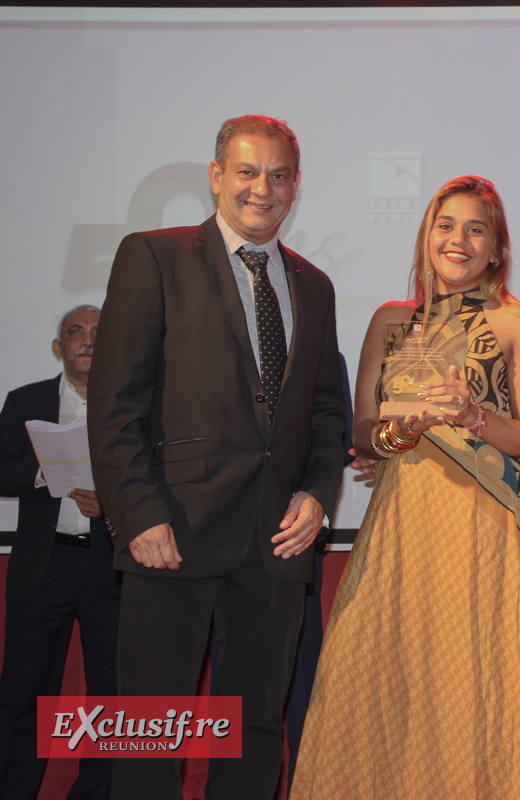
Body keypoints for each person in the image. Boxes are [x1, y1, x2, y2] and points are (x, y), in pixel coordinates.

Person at [87, 115, 344, 800]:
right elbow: (115, 402)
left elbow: (325, 410)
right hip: (170, 535)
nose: (263, 188)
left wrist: (319, 493)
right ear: (216, 176)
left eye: (279, 175)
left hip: (277, 548)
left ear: (296, 185)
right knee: (151, 732)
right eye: (247, 171)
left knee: (256, 732)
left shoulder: (314, 286)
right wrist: (136, 511)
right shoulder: (153, 256)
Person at [291, 175, 520, 799]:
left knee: (469, 682)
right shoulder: (389, 321)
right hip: (399, 522)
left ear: (497, 248)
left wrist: (471, 417)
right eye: (445, 225)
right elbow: (360, 432)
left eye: (475, 228)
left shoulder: (518, 323)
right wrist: (393, 436)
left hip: (480, 525)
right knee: (374, 673)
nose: (457, 240)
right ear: (426, 236)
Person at [0, 305, 119, 800]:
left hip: (110, 567)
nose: (88, 340)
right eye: (76, 332)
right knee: (22, 694)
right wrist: (41, 475)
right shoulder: (24, 400)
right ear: (58, 347)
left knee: (112, 699)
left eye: (98, 332)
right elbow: (2, 474)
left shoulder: (136, 403)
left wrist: (115, 502)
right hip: (43, 566)